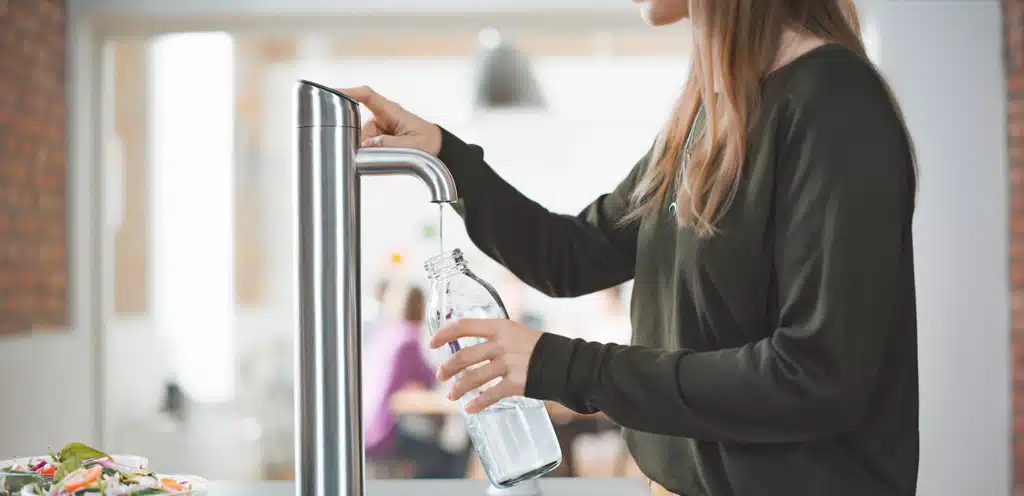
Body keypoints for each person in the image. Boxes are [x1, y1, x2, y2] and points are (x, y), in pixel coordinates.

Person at [343, 1, 918, 494]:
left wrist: (562, 365)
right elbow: (572, 254)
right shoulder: (708, 115)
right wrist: (447, 156)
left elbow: (814, 378)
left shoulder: (835, 105)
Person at [363, 285, 467, 479]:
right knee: (451, 459)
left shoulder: (384, 335)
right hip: (385, 432)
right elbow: (434, 377)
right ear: (420, 307)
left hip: (366, 427)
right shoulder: (408, 339)